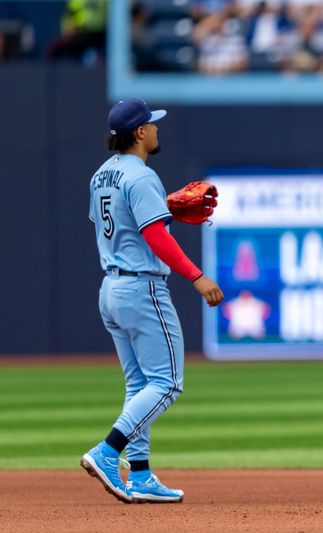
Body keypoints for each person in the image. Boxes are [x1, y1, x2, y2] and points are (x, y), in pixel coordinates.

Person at [82, 98, 224, 503]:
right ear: (140, 133)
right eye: (152, 125)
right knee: (168, 383)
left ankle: (140, 475)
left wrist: (164, 212)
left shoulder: (101, 175)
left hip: (110, 289)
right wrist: (197, 276)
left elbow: (121, 225)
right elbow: (154, 237)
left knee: (139, 384)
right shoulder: (141, 176)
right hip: (141, 289)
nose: (157, 129)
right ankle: (108, 452)